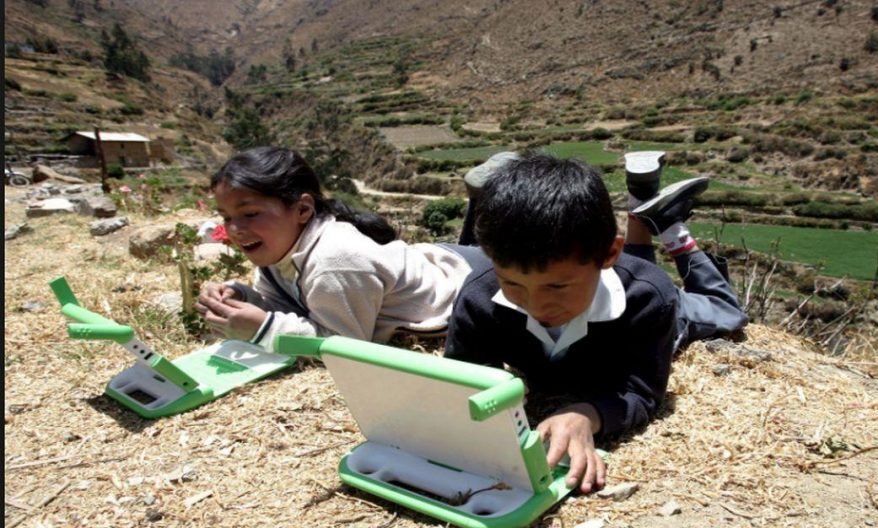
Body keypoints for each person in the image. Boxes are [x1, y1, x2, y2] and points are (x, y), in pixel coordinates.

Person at [444, 152, 748, 493]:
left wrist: (588, 415)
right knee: (637, 266)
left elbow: (642, 392)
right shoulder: (479, 296)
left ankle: (672, 229)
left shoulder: (649, 299)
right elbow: (464, 377)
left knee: (726, 311)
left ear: (608, 254)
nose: (536, 305)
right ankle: (641, 198)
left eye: (557, 287)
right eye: (512, 284)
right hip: (617, 273)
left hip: (663, 303)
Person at [196, 146, 489, 348]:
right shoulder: (278, 252)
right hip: (440, 261)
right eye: (226, 217)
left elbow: (345, 347)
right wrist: (242, 299)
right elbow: (290, 307)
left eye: (250, 214)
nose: (235, 228)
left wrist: (264, 330)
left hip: (472, 279)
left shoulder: (333, 260)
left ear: (302, 210)